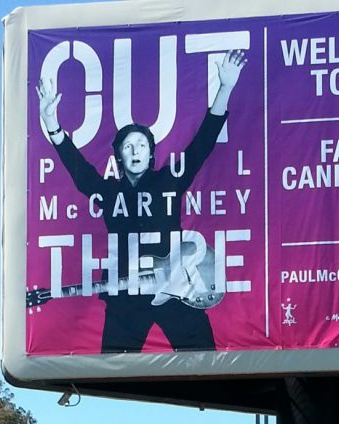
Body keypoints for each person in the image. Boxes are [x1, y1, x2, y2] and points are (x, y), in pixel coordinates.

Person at [36, 49, 247, 353]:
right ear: (118, 156)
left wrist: (225, 87)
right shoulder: (109, 193)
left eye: (142, 145)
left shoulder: (167, 181)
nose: (135, 151)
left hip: (176, 287)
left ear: (151, 154)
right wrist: (52, 124)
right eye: (127, 146)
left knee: (204, 359)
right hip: (126, 294)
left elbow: (203, 144)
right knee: (111, 370)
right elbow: (80, 171)